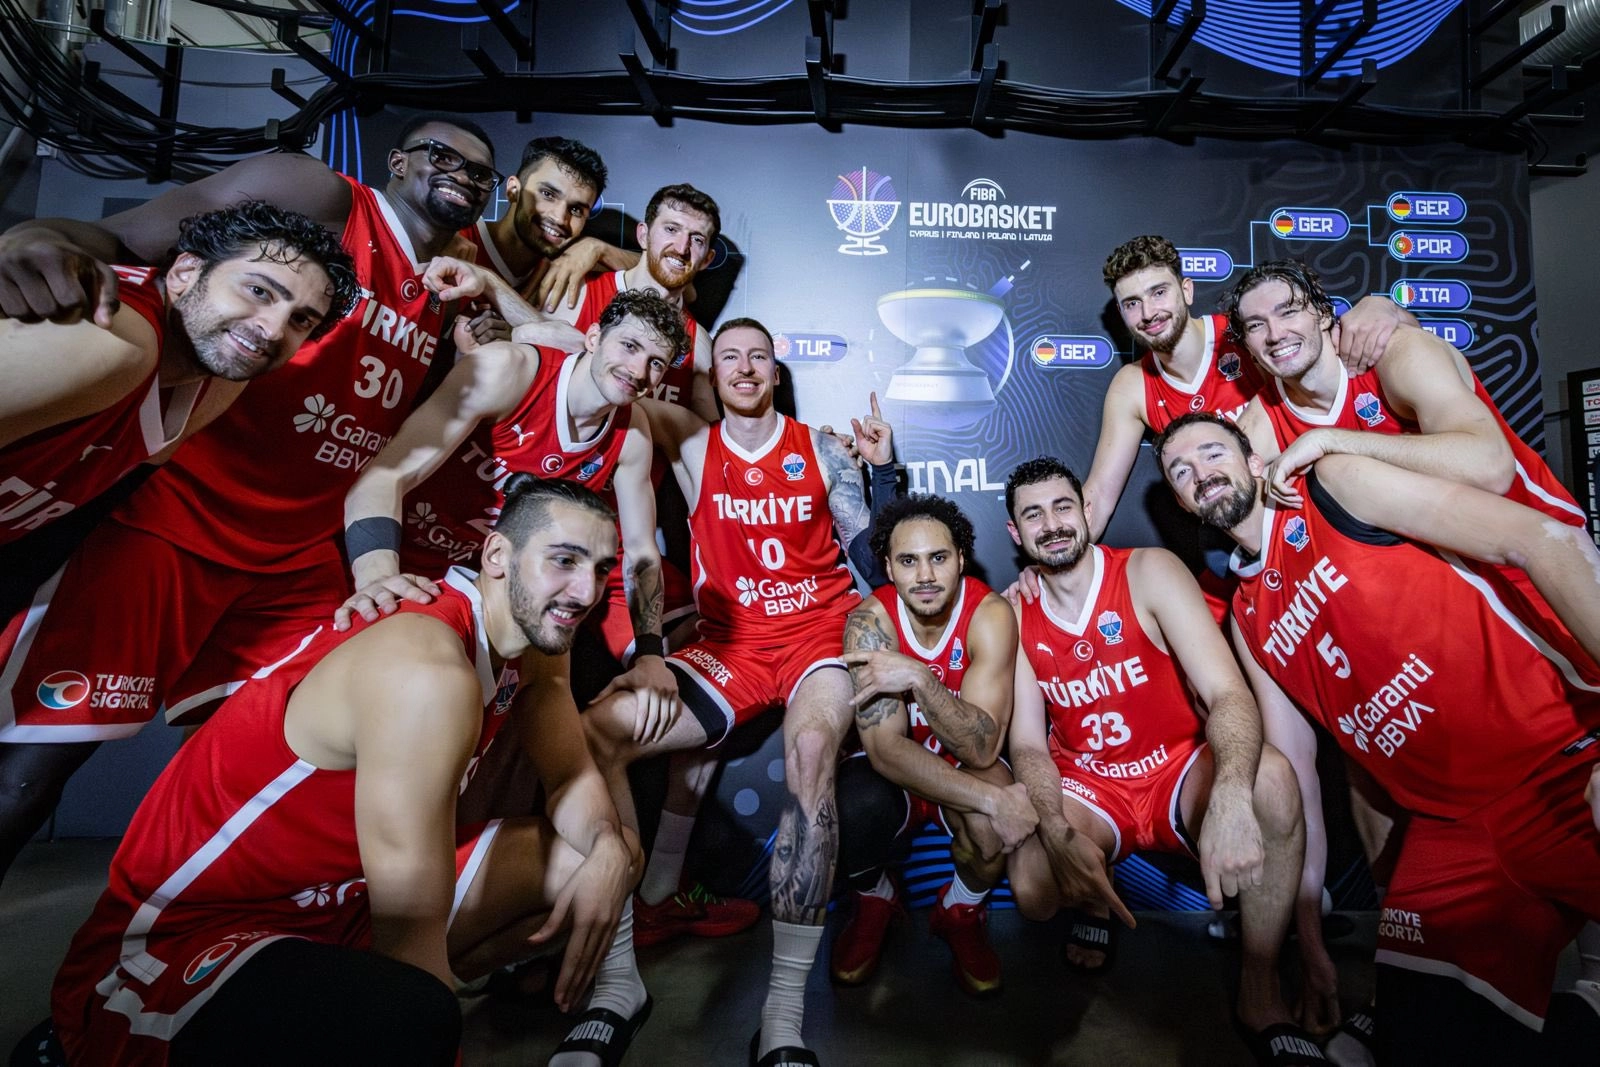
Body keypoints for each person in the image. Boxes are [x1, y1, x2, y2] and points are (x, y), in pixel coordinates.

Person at [0, 116, 498, 885]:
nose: (462, 173)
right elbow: (123, 238)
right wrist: (27, 239)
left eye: (480, 172)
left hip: (296, 551)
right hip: (179, 517)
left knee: (273, 763)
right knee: (41, 760)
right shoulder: (316, 194)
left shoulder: (453, 279)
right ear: (398, 161)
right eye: (443, 155)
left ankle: (169, 944)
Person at [49, 476, 648, 1067]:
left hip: (337, 903)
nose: (584, 591)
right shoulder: (425, 672)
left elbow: (570, 777)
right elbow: (409, 940)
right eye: (563, 560)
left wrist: (608, 847)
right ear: (497, 555)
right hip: (193, 935)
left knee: (601, 857)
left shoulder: (536, 638)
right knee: (414, 1015)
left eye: (600, 569)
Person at [1154, 411, 1600, 1062]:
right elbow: (1299, 778)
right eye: (1181, 470)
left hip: (1558, 761)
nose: (1201, 472)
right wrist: (1310, 939)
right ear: (1179, 499)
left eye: (1214, 452)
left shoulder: (1336, 488)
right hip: (1452, 830)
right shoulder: (1248, 619)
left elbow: (1541, 539)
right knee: (1416, 1041)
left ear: (1254, 461)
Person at [582, 318, 895, 1067]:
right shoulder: (691, 441)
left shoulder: (819, 447)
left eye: (759, 357)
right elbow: (606, 378)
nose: (746, 368)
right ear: (711, 374)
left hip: (818, 634)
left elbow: (866, 549)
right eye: (730, 357)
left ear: (777, 373)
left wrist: (884, 478)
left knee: (812, 750)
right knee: (598, 731)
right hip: (732, 645)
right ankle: (617, 980)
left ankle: (782, 1015)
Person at [1001, 456, 1316, 1066]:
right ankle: (1094, 899)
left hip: (1175, 768)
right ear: (1016, 533)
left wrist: (1230, 794)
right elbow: (1029, 747)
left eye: (1063, 506)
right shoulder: (1013, 612)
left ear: (1086, 509)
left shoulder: (1148, 572)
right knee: (1034, 887)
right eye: (1033, 515)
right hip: (1090, 784)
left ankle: (1261, 986)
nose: (1052, 524)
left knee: (1272, 782)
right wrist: (1058, 832)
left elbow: (1228, 694)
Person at [337, 284, 686, 722]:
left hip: (493, 589)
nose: (638, 370)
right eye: (629, 346)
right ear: (594, 337)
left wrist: (650, 653)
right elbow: (384, 477)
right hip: (405, 561)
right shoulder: (509, 370)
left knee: (531, 700)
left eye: (656, 363)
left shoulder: (631, 435)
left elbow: (640, 552)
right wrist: (377, 578)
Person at [0, 200, 356, 549]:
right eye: (259, 291)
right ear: (186, 272)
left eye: (300, 320)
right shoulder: (112, 343)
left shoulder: (217, 382)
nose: (274, 330)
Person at [1080, 235, 1411, 540]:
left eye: (1158, 292)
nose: (1149, 312)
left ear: (1187, 290)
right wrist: (1059, 556)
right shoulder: (1132, 386)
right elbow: (1100, 496)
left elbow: (1344, 350)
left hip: (1335, 496)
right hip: (1252, 530)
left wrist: (1388, 309)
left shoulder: (1247, 332)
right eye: (1132, 303)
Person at [832, 494, 1031, 996]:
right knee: (847, 806)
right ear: (888, 568)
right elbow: (885, 750)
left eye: (938, 558)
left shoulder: (990, 613)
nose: (924, 575)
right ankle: (875, 899)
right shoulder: (869, 624)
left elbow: (982, 750)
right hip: (893, 772)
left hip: (962, 762)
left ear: (961, 559)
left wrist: (921, 678)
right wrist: (994, 800)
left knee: (991, 829)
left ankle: (958, 909)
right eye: (908, 561)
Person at [557, 183, 720, 418]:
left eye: (697, 239)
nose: (681, 248)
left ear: (706, 260)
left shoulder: (698, 342)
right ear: (643, 235)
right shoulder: (579, 291)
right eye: (671, 229)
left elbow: (706, 435)